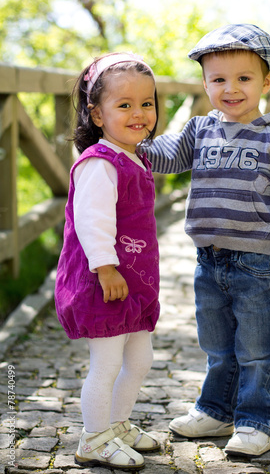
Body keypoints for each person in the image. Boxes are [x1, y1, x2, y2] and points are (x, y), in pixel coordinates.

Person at [141, 24, 270, 457]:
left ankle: (256, 421)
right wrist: (130, 140)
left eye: (243, 78)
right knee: (217, 343)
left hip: (256, 260)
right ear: (204, 83)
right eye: (218, 79)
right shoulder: (199, 129)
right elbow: (163, 155)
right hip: (208, 258)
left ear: (266, 81)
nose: (230, 89)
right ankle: (217, 410)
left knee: (257, 346)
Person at [55, 52, 161, 471]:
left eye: (147, 103)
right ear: (97, 114)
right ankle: (93, 438)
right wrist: (104, 267)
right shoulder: (100, 162)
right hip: (106, 280)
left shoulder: (135, 156)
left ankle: (116, 424)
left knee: (140, 359)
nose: (139, 113)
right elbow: (92, 219)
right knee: (108, 361)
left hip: (132, 281)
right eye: (125, 105)